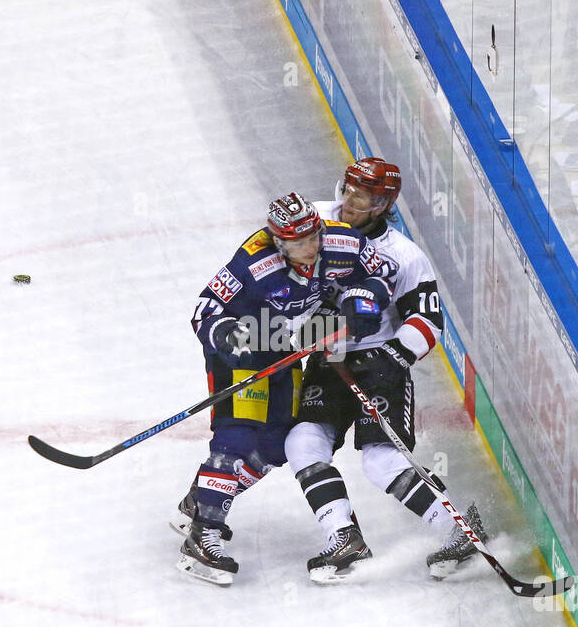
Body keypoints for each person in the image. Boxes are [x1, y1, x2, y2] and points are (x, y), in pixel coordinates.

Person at [174, 193, 396, 586]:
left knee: (276, 443)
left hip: (286, 348)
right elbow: (204, 311)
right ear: (279, 242)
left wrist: (363, 301)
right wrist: (228, 334)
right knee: (237, 435)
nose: (310, 247)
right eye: (297, 243)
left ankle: (202, 498)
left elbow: (381, 274)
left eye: (313, 236)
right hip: (243, 350)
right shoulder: (253, 261)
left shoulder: (341, 241)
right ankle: (202, 534)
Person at [281, 157, 483, 583]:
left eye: (364, 195)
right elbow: (278, 276)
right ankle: (344, 537)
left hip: (377, 365)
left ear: (383, 204)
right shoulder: (313, 222)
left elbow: (427, 321)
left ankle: (459, 528)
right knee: (302, 443)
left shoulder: (404, 255)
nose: (351, 199)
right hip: (326, 362)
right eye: (350, 188)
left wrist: (390, 357)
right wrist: (295, 330)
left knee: (379, 460)